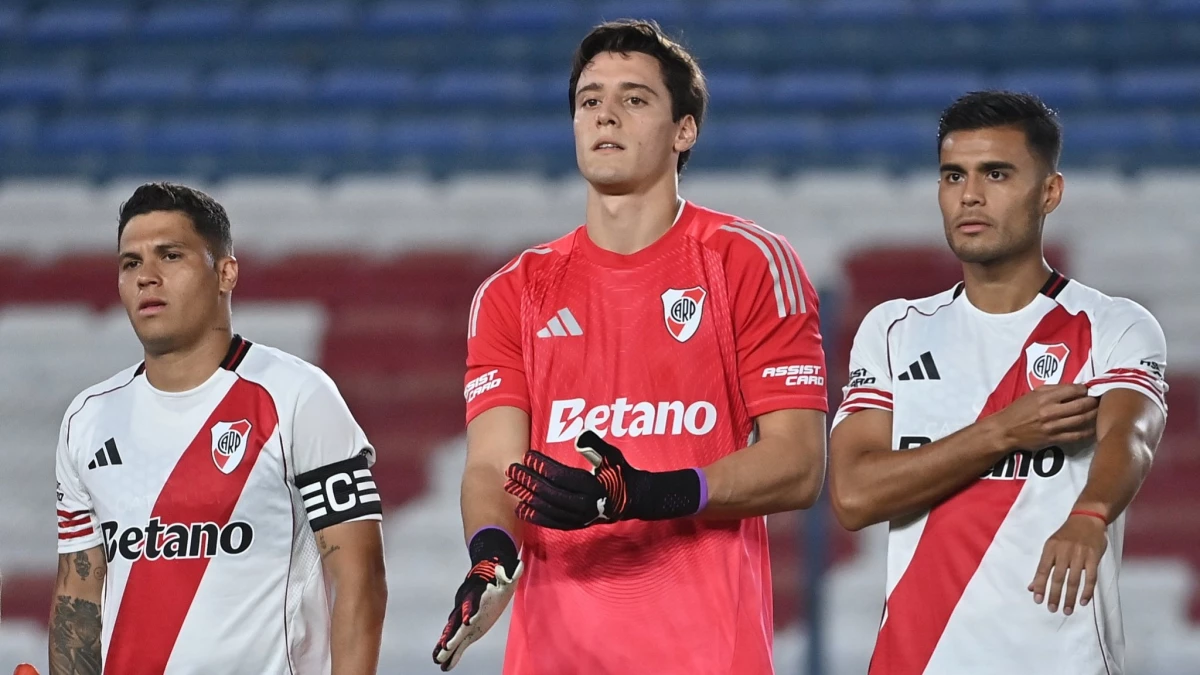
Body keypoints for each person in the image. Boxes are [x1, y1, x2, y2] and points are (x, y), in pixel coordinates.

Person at [432, 19, 829, 675]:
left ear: (684, 131)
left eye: (634, 98)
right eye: (589, 100)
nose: (605, 114)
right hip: (555, 659)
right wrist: (492, 553)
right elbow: (493, 466)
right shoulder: (512, 291)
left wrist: (646, 493)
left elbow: (799, 464)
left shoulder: (750, 261)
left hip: (708, 657)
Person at [829, 91, 1168, 675]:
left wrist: (1090, 514)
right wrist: (1003, 432)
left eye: (997, 174)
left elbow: (1132, 436)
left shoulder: (1113, 325)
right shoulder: (893, 329)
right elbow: (855, 496)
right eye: (953, 175)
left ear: (1049, 192)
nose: (970, 195)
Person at [50, 183, 387, 675]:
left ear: (226, 272)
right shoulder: (87, 418)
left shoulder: (298, 396)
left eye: (170, 255)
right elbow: (78, 597)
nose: (146, 276)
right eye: (130, 263)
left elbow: (361, 578)